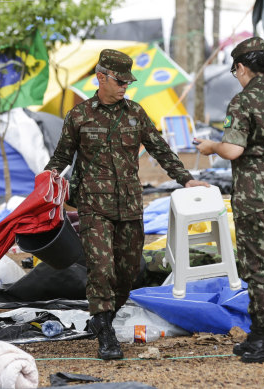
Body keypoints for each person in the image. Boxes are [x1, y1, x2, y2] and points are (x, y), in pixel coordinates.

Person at [44, 49, 209, 360]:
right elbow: (62, 157)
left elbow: (160, 149)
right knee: (101, 267)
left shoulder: (135, 112)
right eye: (119, 81)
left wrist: (186, 179)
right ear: (101, 78)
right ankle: (104, 328)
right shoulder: (79, 116)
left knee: (129, 269)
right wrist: (48, 178)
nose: (124, 87)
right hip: (94, 205)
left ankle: (106, 312)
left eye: (127, 82)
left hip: (130, 204)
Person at [194, 37, 264, 364]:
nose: (237, 76)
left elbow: (233, 149)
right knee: (263, 264)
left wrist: (211, 146)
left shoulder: (242, 101)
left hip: (258, 192)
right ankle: (259, 335)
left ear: (242, 67)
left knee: (259, 268)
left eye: (235, 71)